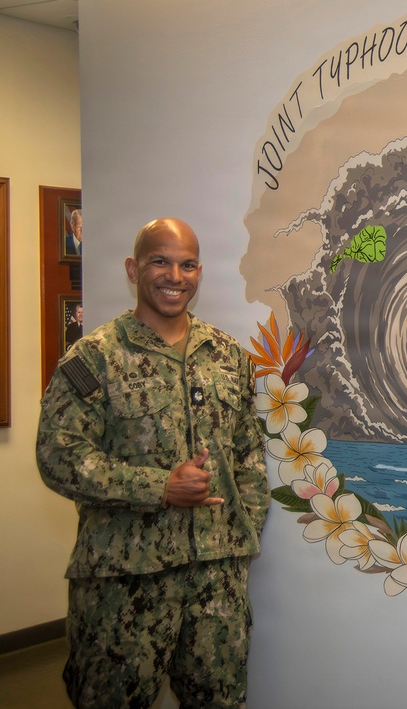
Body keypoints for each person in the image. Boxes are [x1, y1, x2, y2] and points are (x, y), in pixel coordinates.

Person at [37, 217, 270, 708]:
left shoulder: (227, 356)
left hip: (215, 583)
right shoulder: (94, 358)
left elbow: (248, 452)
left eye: (187, 265)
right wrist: (159, 485)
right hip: (126, 585)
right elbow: (59, 456)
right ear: (133, 269)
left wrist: (243, 527)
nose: (174, 276)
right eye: (160, 261)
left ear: (200, 272)